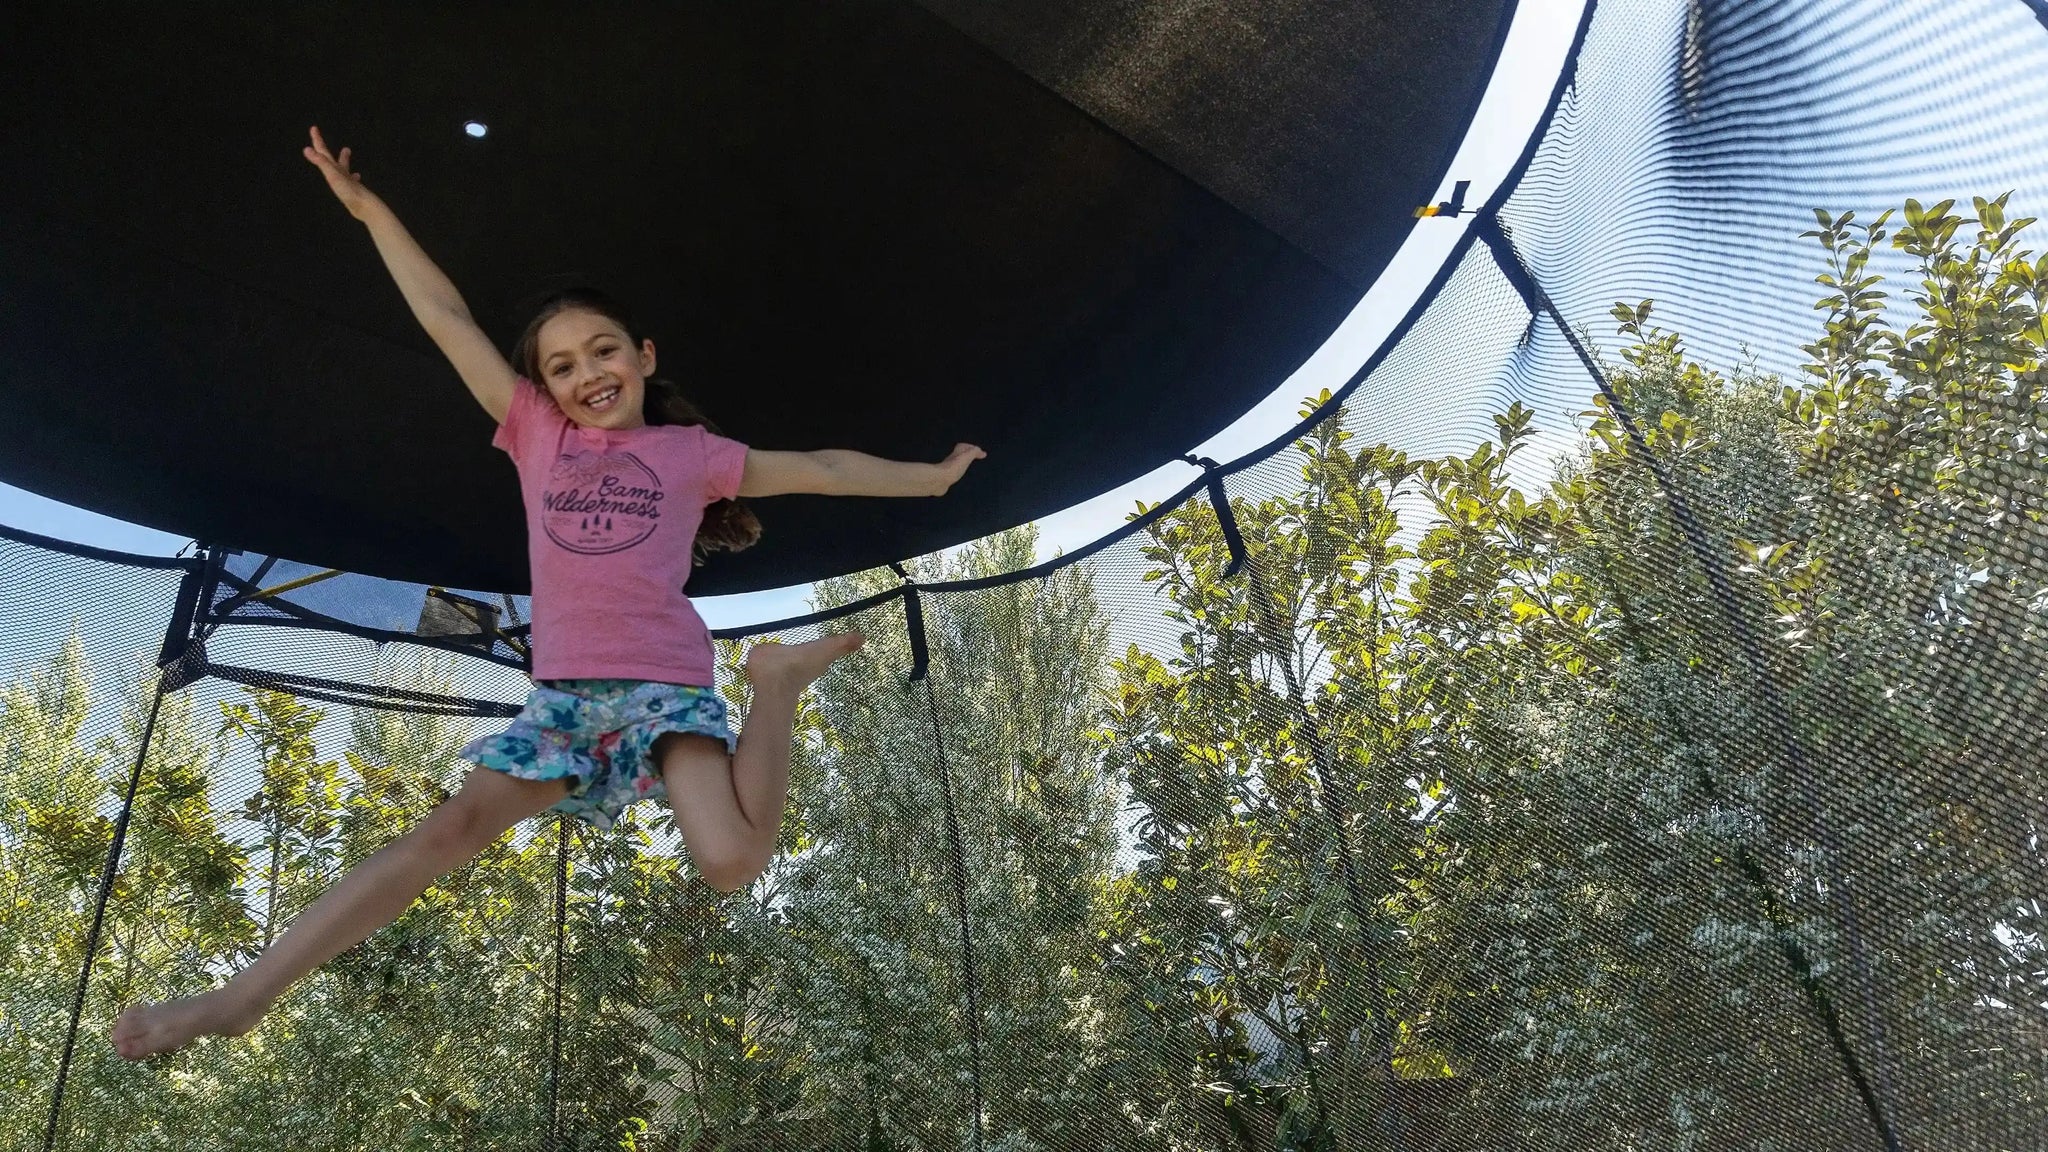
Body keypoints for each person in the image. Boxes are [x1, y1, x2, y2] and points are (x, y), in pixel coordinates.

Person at [111, 127, 985, 1060]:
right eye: (561, 367)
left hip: (663, 686)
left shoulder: (694, 457)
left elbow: (816, 465)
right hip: (564, 699)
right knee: (450, 829)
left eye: (602, 351)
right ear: (546, 391)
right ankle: (241, 998)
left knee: (732, 861)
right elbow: (448, 318)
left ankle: (773, 682)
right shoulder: (539, 438)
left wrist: (925, 480)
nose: (585, 374)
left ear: (643, 355)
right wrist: (368, 209)